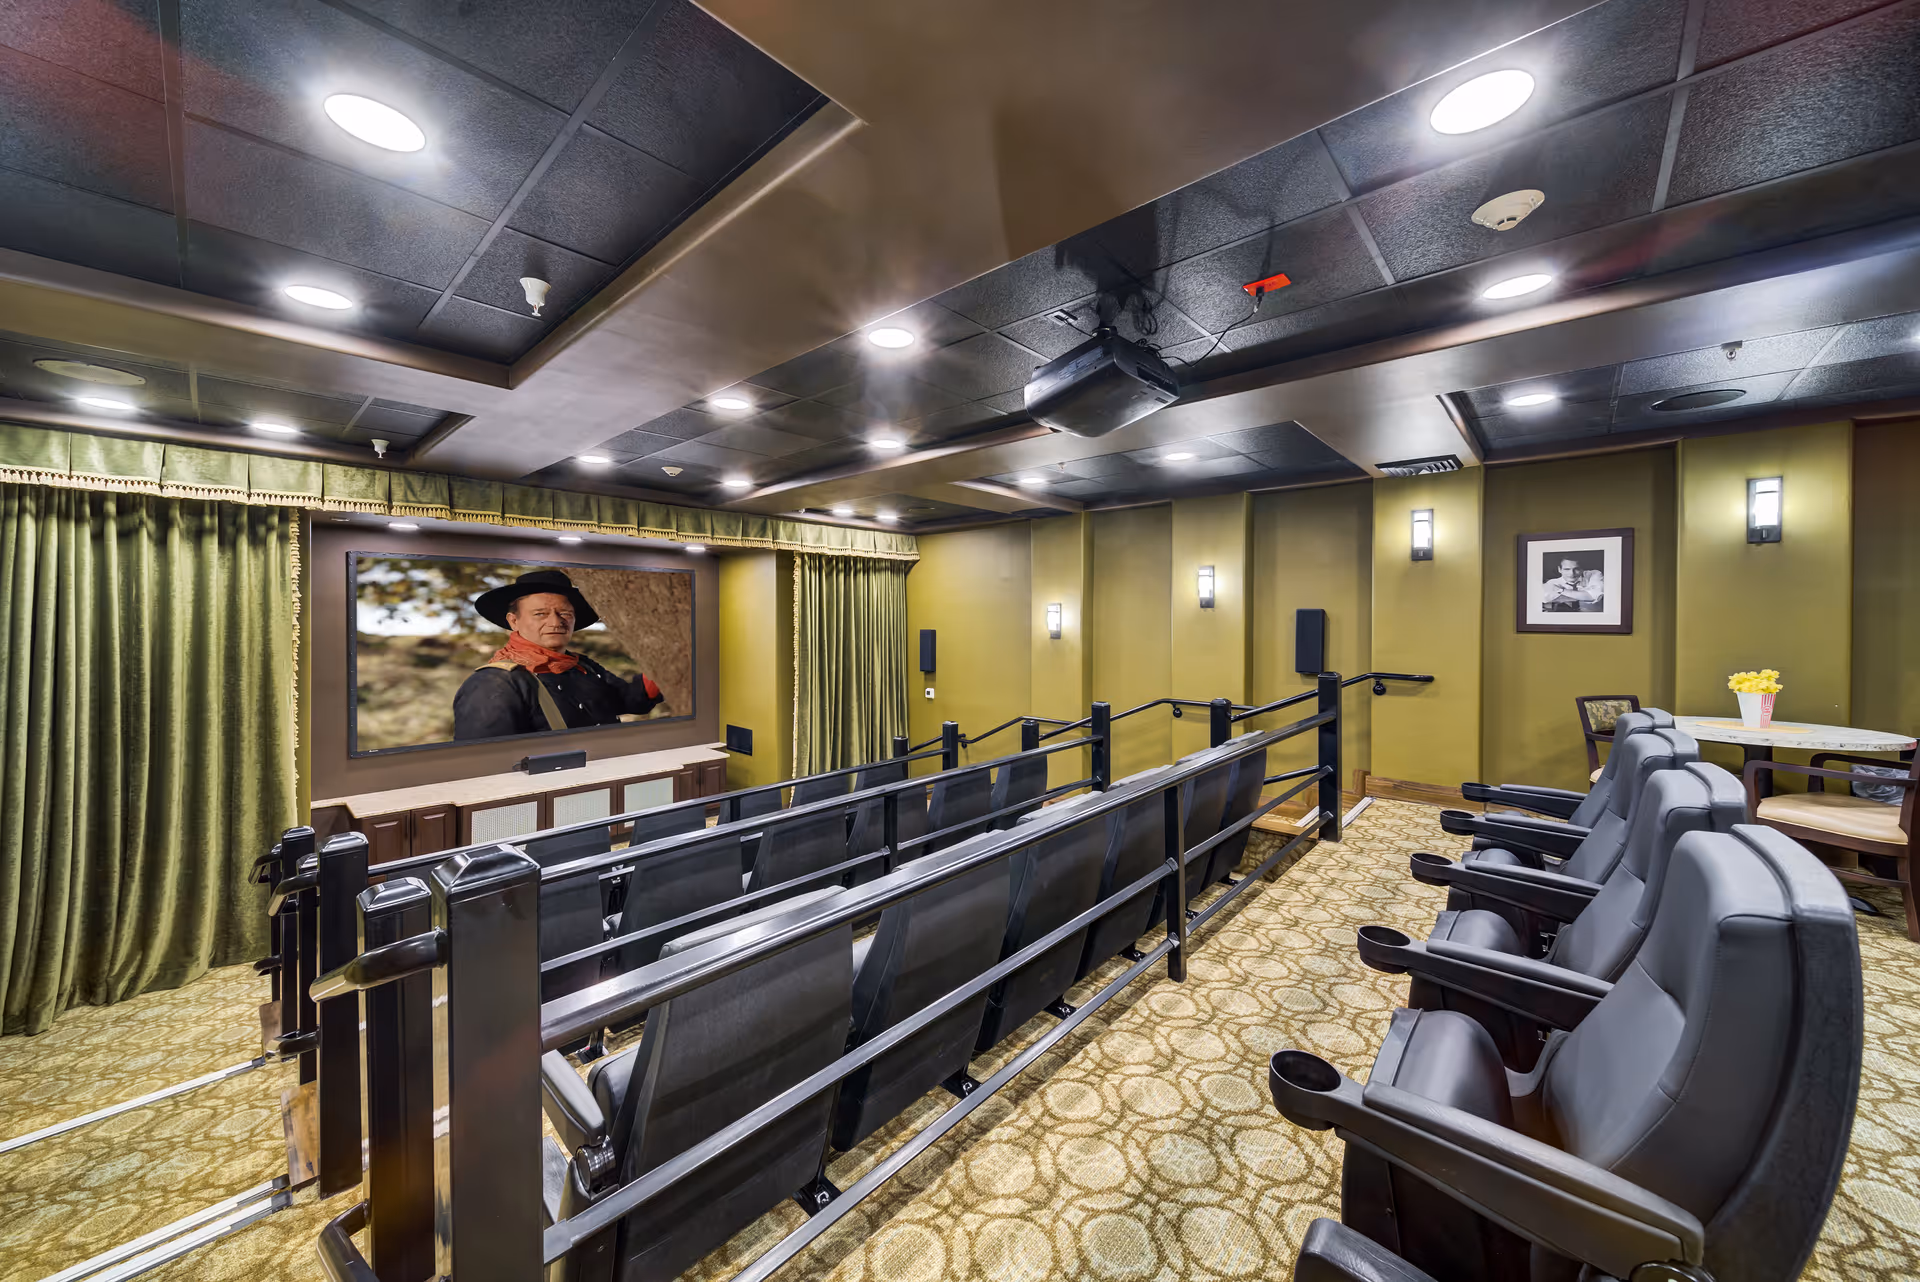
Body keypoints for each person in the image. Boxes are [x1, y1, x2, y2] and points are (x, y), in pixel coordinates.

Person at [452, 569, 665, 740]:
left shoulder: (582, 666)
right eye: (540, 614)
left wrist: (665, 666)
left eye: (565, 613)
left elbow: (629, 701)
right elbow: (485, 764)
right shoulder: (494, 683)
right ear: (513, 621)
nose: (556, 622)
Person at [1538, 556, 1604, 612]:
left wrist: (1561, 591)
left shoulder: (1593, 575)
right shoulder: (1552, 583)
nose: (1571, 573)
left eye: (1576, 569)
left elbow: (1594, 596)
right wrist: (1584, 594)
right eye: (1567, 569)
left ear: (1582, 569)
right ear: (1559, 569)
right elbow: (1542, 599)